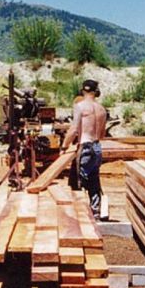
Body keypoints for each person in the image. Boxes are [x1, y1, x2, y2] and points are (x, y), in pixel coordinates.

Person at [62, 79, 108, 217]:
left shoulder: (80, 106)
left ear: (83, 91)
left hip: (85, 145)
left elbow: (74, 129)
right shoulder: (102, 109)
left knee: (78, 181)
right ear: (96, 92)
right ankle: (95, 211)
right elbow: (102, 134)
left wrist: (64, 146)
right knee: (94, 180)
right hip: (97, 147)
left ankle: (80, 213)